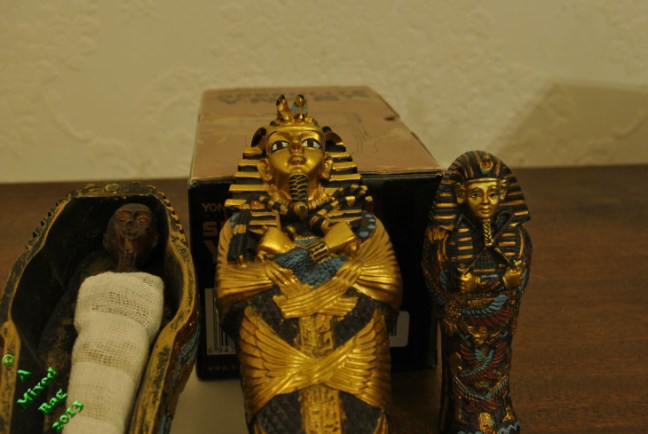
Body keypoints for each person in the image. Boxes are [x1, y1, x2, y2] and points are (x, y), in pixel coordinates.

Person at [216, 95, 402, 433]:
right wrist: (336, 272)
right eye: (280, 145)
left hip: (352, 334)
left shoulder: (362, 222)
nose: (297, 151)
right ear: (263, 168)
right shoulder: (242, 225)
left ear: (328, 164)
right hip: (277, 339)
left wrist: (288, 268)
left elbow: (386, 283)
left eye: (310, 143)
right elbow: (229, 289)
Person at [422, 151, 531, 434]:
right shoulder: (444, 239)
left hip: (499, 319)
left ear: (503, 193)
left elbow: (518, 284)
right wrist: (459, 290)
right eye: (476, 194)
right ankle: (464, 418)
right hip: (464, 325)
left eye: (493, 194)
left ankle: (500, 413)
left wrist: (508, 282)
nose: (485, 202)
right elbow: (435, 283)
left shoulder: (516, 236)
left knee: (498, 365)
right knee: (463, 365)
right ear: (460, 194)